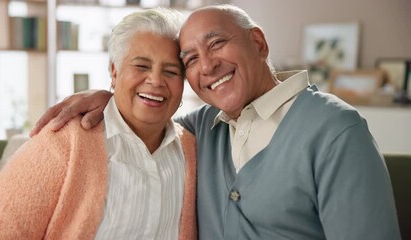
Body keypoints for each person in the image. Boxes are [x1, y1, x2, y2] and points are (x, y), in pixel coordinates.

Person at [30, 4, 401, 239]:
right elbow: (148, 116)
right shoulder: (198, 130)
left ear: (258, 43)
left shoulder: (337, 130)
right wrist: (113, 98)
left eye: (217, 43)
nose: (206, 66)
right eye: (189, 59)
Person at [0, 8, 198, 240]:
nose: (156, 80)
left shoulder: (193, 150)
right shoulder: (61, 143)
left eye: (171, 71)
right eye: (141, 66)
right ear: (114, 72)